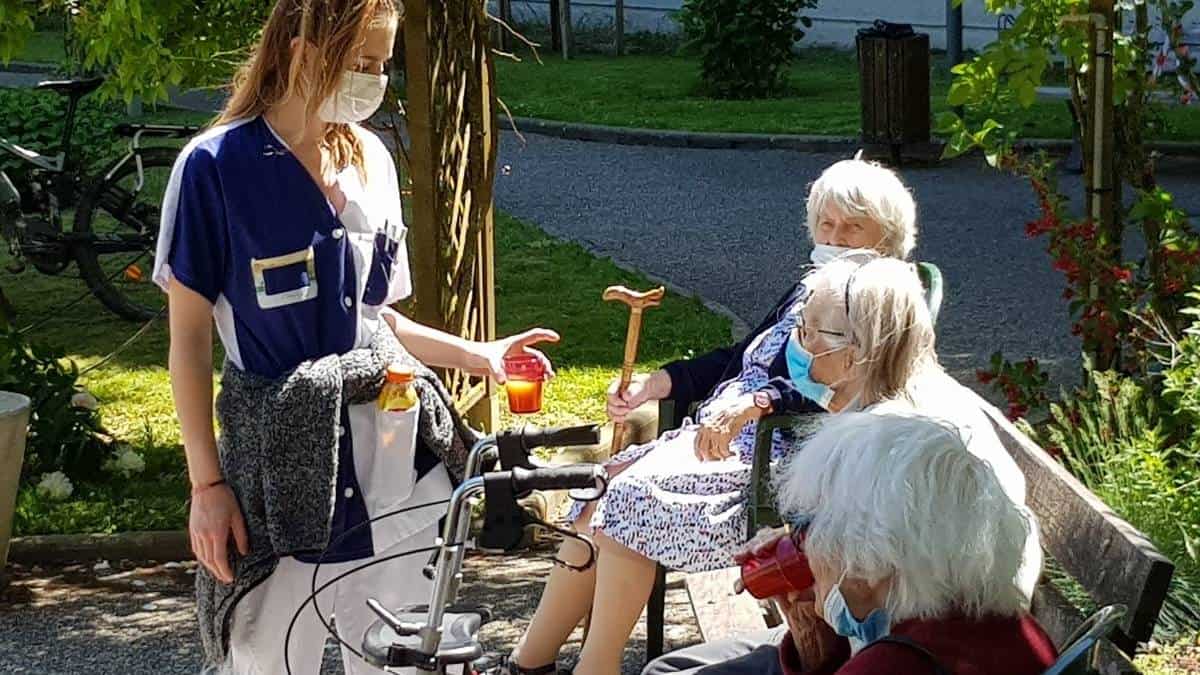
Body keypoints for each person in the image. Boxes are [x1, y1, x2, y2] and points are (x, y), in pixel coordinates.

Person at [153, 2, 558, 673]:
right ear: (303, 48)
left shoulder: (369, 159)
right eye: (360, 62)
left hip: (391, 462)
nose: (374, 81)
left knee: (405, 651)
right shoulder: (213, 168)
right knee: (270, 653)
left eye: (381, 64)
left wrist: (480, 357)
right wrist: (206, 486)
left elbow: (380, 323)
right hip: (282, 471)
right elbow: (189, 344)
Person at [504, 254, 955, 675]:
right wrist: (664, 381)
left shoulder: (878, 436)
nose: (798, 341)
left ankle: (594, 667)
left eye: (811, 332)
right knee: (597, 491)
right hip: (818, 601)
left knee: (625, 503)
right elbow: (741, 358)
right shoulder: (832, 329)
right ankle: (532, 662)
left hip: (767, 467)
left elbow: (863, 584)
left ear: (860, 352)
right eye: (799, 327)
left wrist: (763, 403)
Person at [642, 411, 1057, 675]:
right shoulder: (999, 623)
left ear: (867, 558)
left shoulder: (894, 664)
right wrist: (816, 654)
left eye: (806, 529)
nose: (801, 548)